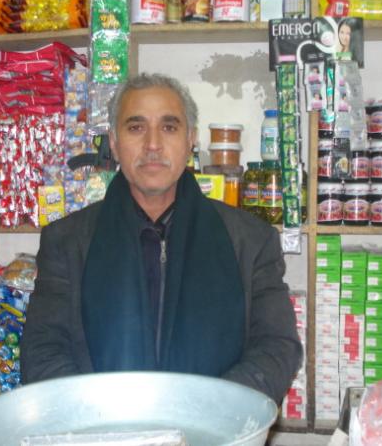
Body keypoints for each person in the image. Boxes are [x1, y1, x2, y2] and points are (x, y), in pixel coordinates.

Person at [20, 73, 303, 404]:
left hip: (216, 426)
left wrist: (211, 412)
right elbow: (43, 349)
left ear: (190, 140)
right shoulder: (67, 241)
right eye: (136, 127)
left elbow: (277, 347)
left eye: (169, 127)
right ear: (114, 143)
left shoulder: (251, 241)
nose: (153, 144)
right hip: (100, 426)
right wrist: (99, 417)